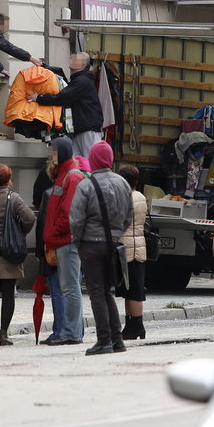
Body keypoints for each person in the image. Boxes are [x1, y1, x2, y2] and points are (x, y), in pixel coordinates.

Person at [69, 141, 133, 356]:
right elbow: (128, 217)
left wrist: (77, 242)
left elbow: (76, 219)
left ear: (93, 159)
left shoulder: (86, 185)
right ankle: (117, 340)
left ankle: (103, 340)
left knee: (97, 293)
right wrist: (115, 234)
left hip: (91, 244)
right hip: (113, 244)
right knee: (108, 292)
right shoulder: (123, 183)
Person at [0, 165, 36, 346]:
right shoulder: (14, 198)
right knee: (8, 293)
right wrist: (20, 233)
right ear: (9, 179)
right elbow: (30, 218)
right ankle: (4, 333)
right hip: (10, 251)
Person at [43, 137, 87, 346]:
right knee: (70, 287)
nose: (50, 155)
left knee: (70, 288)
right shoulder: (66, 175)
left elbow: (68, 213)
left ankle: (71, 333)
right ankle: (73, 331)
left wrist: (54, 232)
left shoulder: (72, 177)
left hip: (66, 241)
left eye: (53, 151)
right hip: (62, 240)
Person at [27, 52, 103, 158]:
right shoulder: (80, 80)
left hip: (88, 130)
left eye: (75, 59)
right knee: (77, 163)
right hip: (80, 130)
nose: (71, 60)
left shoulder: (82, 81)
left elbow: (62, 97)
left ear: (82, 64)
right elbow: (62, 78)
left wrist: (39, 98)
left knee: (90, 162)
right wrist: (44, 66)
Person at [33, 160, 65, 344]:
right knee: (72, 289)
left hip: (52, 249)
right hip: (73, 248)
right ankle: (75, 329)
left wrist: (39, 252)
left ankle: (59, 330)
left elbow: (42, 225)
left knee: (58, 291)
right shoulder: (74, 190)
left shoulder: (49, 193)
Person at [116, 165, 148, 340]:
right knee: (130, 289)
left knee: (133, 290)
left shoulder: (127, 198)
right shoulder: (141, 197)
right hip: (137, 246)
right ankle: (131, 325)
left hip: (129, 248)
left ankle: (136, 325)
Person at [0, 12, 42, 77]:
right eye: (6, 26)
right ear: (1, 25)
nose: (7, 29)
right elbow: (8, 47)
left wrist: (0, 69)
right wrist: (30, 58)